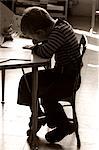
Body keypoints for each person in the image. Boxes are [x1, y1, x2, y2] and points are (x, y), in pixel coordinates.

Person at [17, 6, 81, 143]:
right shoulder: (60, 25)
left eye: (34, 38)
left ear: (40, 32)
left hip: (67, 79)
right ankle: (38, 114)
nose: (34, 41)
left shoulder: (58, 33)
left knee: (46, 96)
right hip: (61, 73)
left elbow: (46, 52)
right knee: (26, 80)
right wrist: (40, 42)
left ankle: (63, 126)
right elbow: (48, 45)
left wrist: (36, 47)